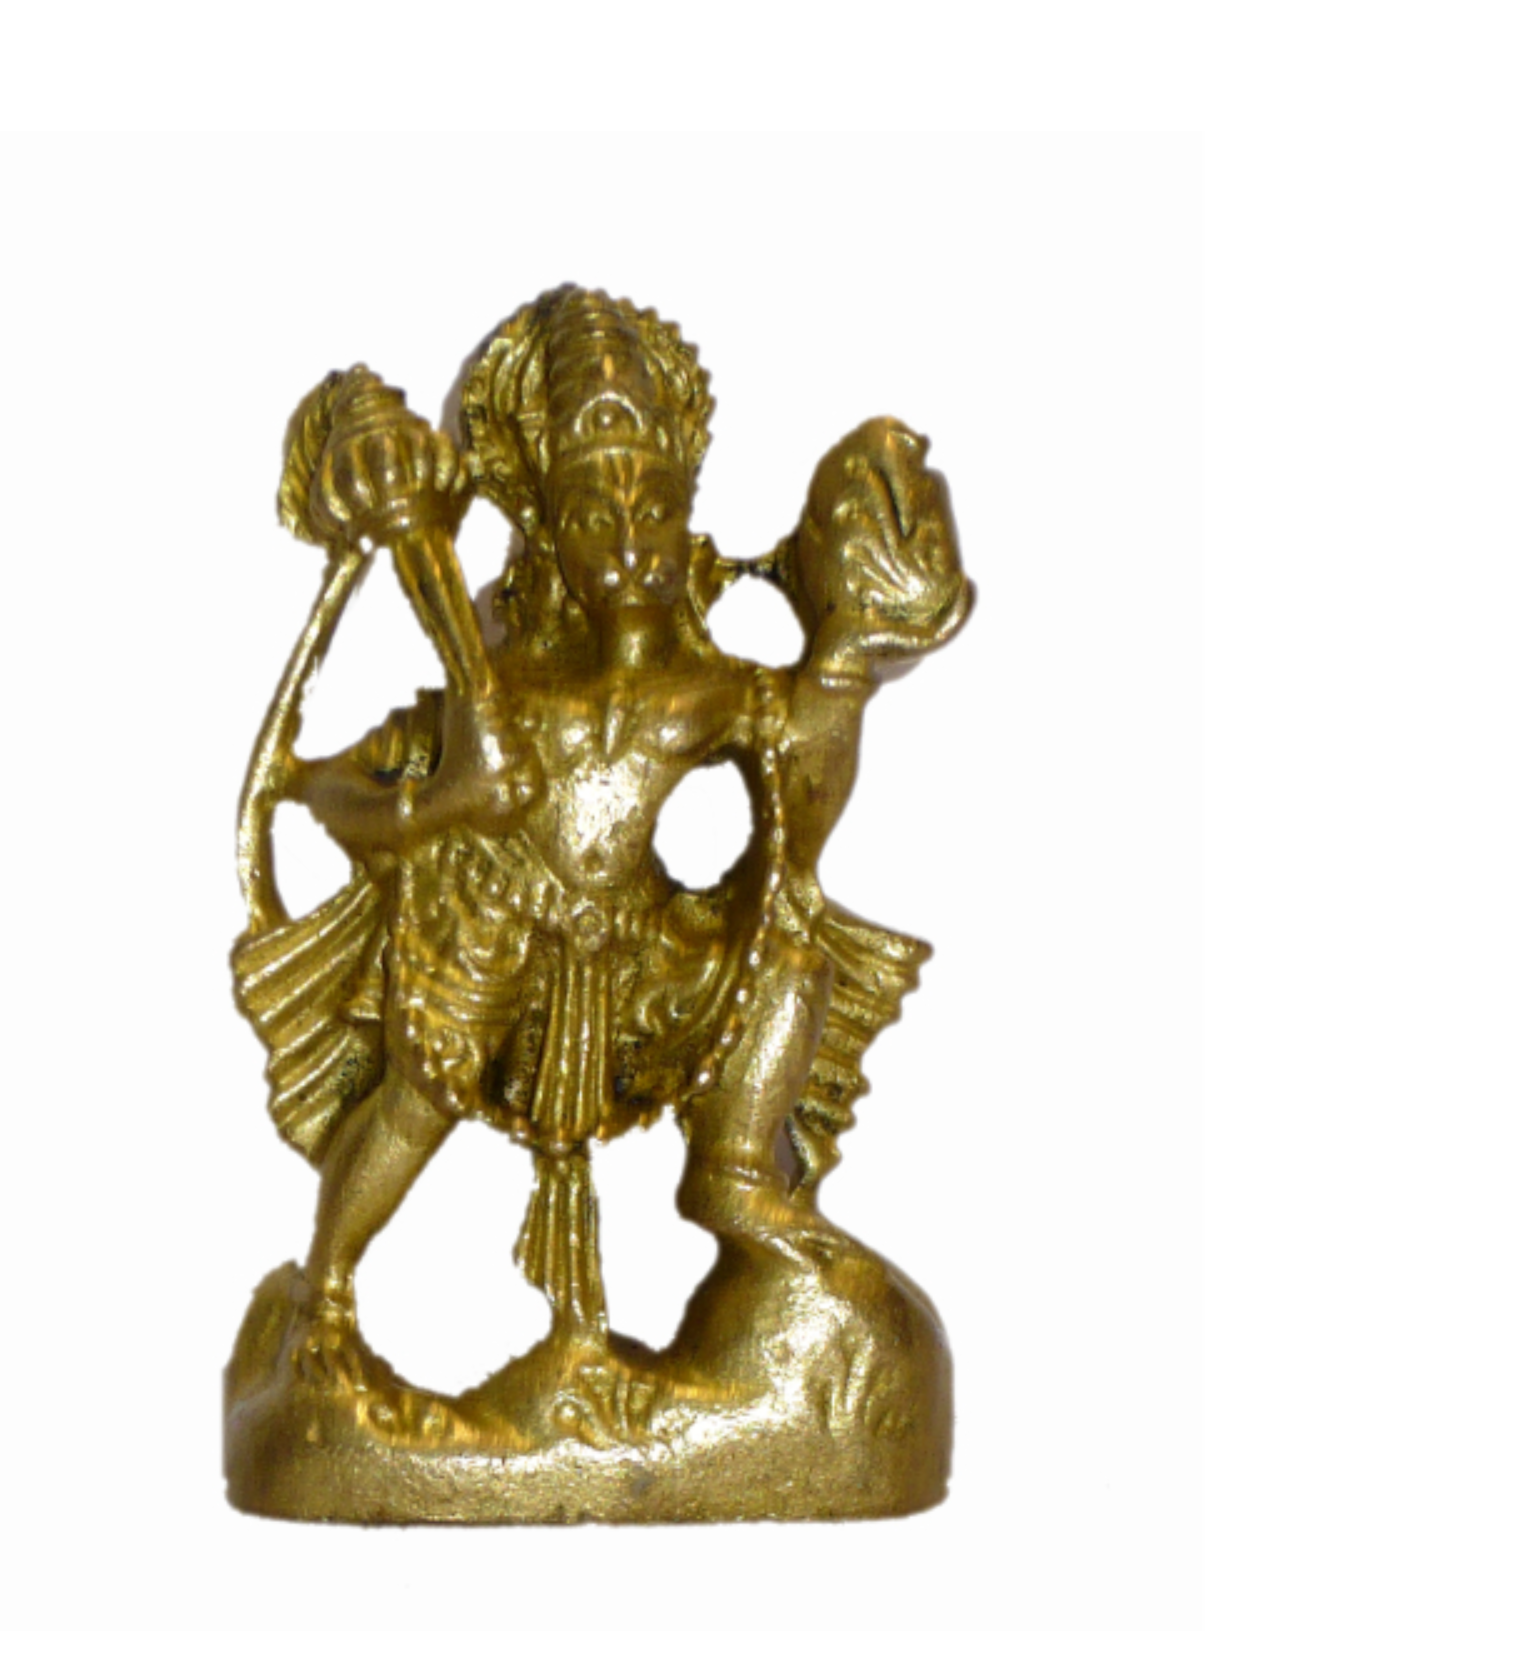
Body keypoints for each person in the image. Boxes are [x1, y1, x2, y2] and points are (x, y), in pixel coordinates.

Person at [231, 288, 970, 1373]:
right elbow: (319, 790)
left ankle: (734, 1174)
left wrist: (847, 659)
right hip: (493, 941)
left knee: (791, 961)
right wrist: (438, 805)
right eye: (591, 517)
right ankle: (328, 1289)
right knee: (418, 1095)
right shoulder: (496, 692)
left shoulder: (705, 688)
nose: (630, 545)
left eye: (653, 510)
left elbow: (797, 809)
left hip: (642, 962)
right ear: (543, 531)